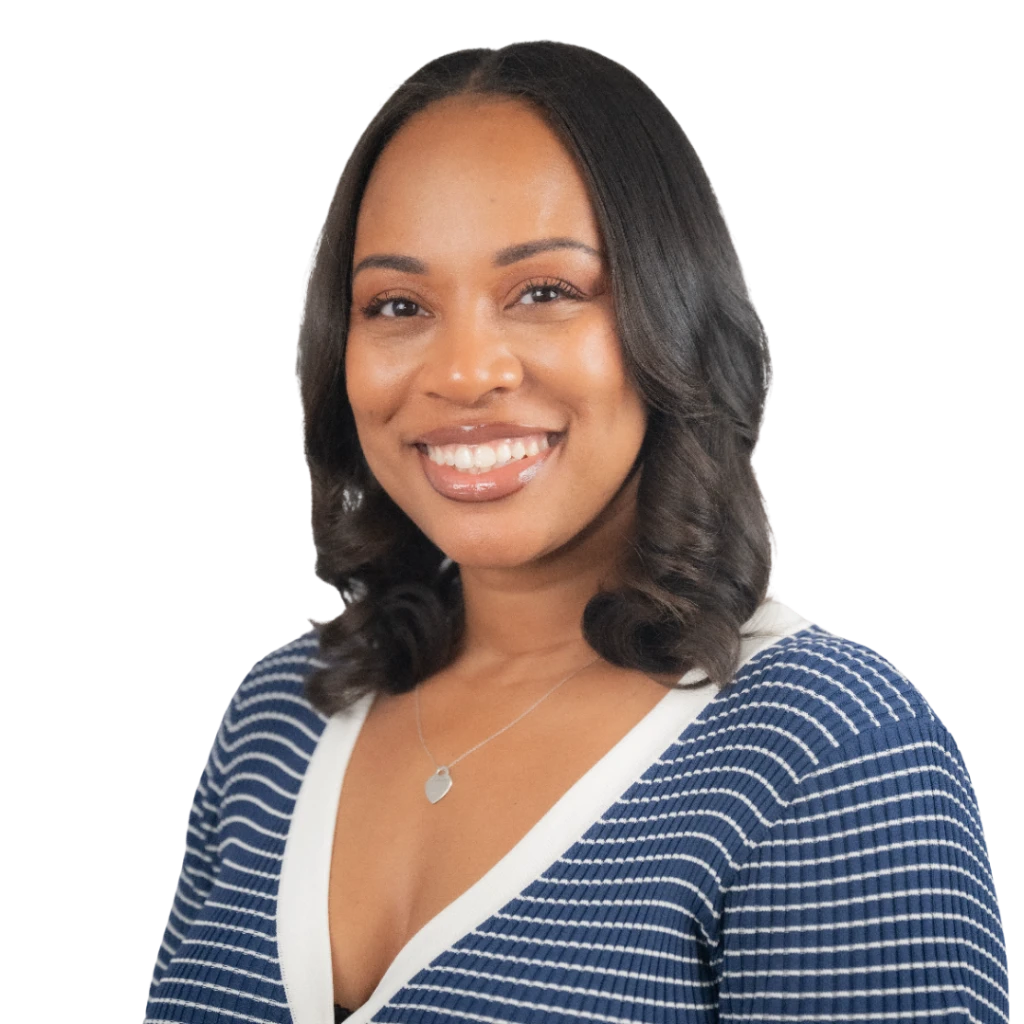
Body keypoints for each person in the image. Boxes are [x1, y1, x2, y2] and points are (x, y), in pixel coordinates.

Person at [145, 41, 1012, 1023]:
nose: (463, 372)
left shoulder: (823, 750)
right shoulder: (277, 714)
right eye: (397, 304)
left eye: (544, 291)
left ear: (668, 317)